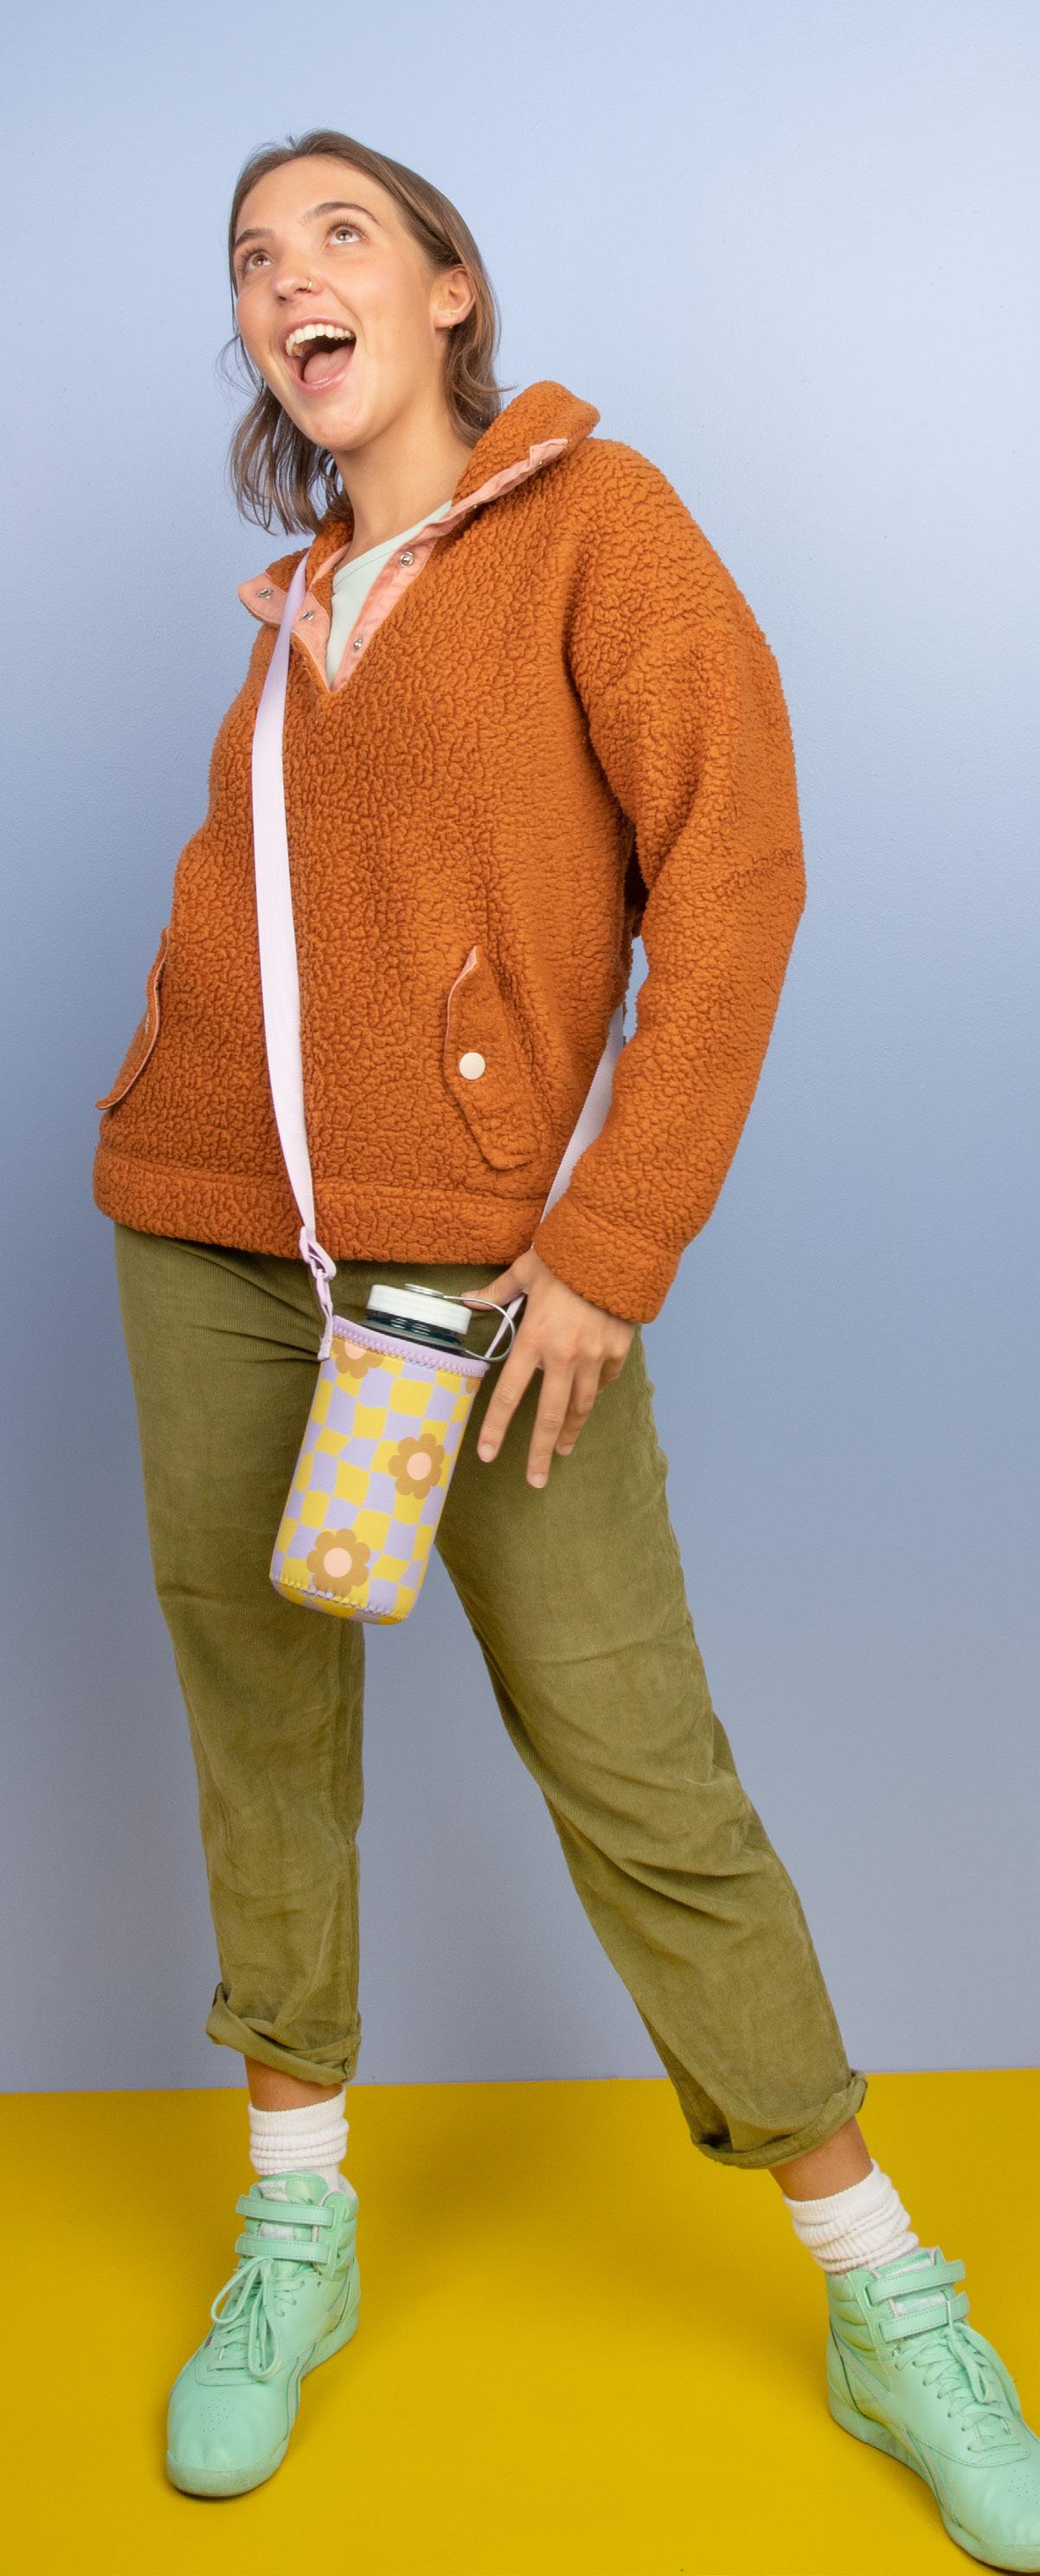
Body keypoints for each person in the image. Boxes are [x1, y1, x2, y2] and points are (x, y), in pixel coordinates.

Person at [93, 126, 1040, 2560]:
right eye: (250, 257)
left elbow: (736, 869)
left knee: (634, 1758)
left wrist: (612, 1238)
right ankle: (296, 2225)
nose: (284, 278)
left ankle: (882, 2291)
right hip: (207, 1238)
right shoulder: (301, 598)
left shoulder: (598, 528)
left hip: (482, 1282)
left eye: (335, 233)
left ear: (446, 286)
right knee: (260, 1730)